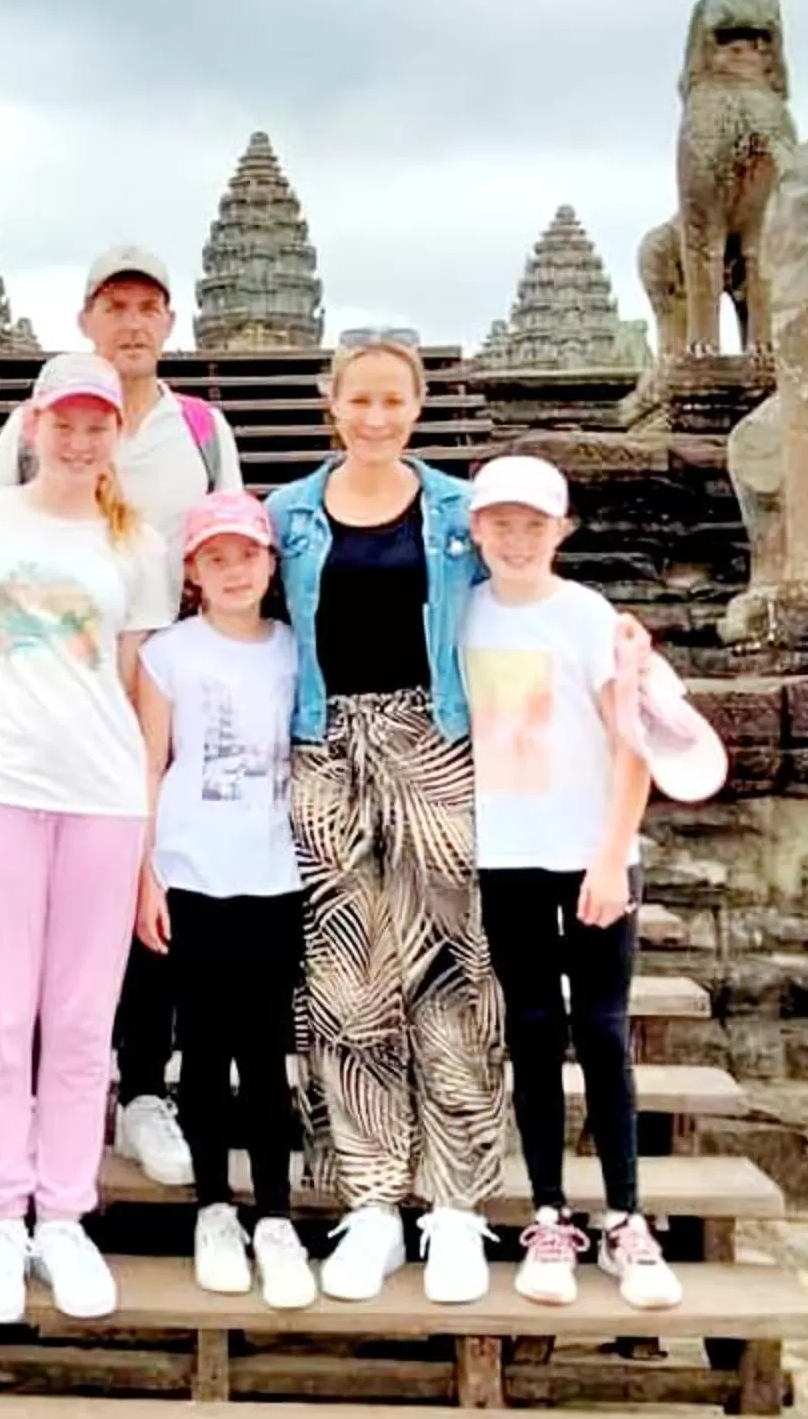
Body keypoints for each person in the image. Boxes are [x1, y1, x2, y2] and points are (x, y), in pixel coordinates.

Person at [0, 352, 178, 1325]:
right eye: (63, 420)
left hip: (103, 794)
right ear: (33, 424)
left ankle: (64, 1213)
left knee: (77, 1021)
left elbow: (144, 685)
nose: (77, 437)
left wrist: (149, 817)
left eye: (96, 422)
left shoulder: (139, 542)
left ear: (116, 431)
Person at [0, 243, 241, 1192]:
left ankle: (142, 1090)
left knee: (152, 881)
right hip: (52, 685)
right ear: (87, 319)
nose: (132, 324)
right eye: (114, 306)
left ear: (170, 324)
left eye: (149, 308)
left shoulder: (203, 431)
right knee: (58, 890)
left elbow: (227, 544)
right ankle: (62, 1097)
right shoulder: (37, 427)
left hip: (165, 672)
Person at [262, 331, 501, 1306]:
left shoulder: (459, 510)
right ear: (332, 401)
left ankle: (454, 1203)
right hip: (321, 746)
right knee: (346, 975)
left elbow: (514, 614)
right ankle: (370, 1200)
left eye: (391, 400)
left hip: (432, 738)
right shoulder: (287, 514)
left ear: (417, 403)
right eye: (358, 398)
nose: (374, 416)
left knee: (450, 965)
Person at [460, 452, 721, 1311]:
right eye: (500, 523)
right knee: (533, 1030)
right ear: (476, 531)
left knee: (603, 1034)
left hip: (592, 854)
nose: (516, 539)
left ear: (561, 531)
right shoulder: (461, 616)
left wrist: (612, 856)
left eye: (533, 525)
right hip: (506, 853)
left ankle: (627, 1220)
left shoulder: (589, 619)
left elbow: (630, 745)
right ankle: (547, 1212)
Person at [134, 488, 317, 1310]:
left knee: (266, 1048)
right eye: (217, 557)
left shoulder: (292, 648)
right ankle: (214, 1206)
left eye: (248, 554)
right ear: (192, 573)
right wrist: (143, 874)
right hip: (191, 871)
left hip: (275, 872)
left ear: (271, 565)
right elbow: (148, 763)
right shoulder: (168, 654)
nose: (234, 569)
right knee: (202, 1047)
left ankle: (274, 1215)